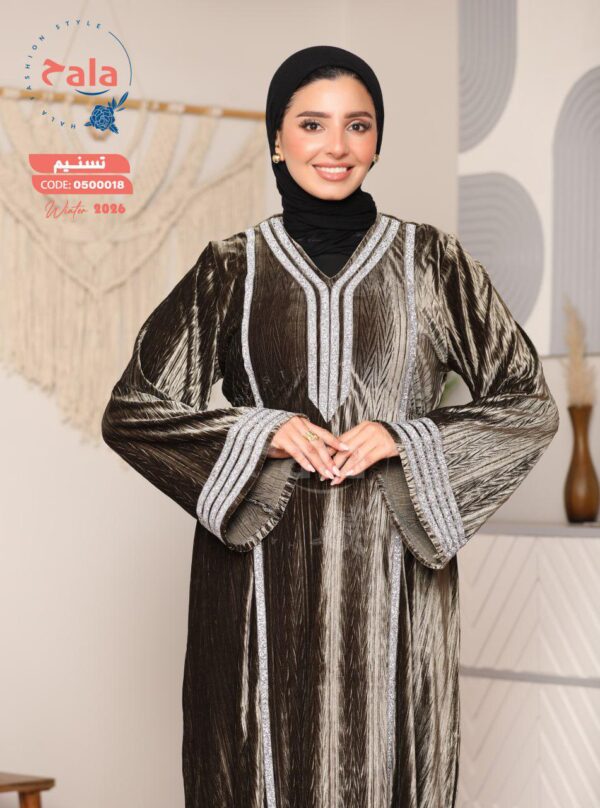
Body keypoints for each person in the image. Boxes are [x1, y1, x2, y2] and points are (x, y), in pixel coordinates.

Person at [101, 45, 560, 808]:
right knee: (255, 766)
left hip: (393, 573)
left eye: (358, 125)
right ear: (277, 139)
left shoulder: (434, 263)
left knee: (389, 763)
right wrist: (262, 432)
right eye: (313, 124)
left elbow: (527, 402)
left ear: (377, 142)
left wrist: (406, 438)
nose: (337, 145)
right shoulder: (231, 267)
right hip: (258, 577)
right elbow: (134, 409)